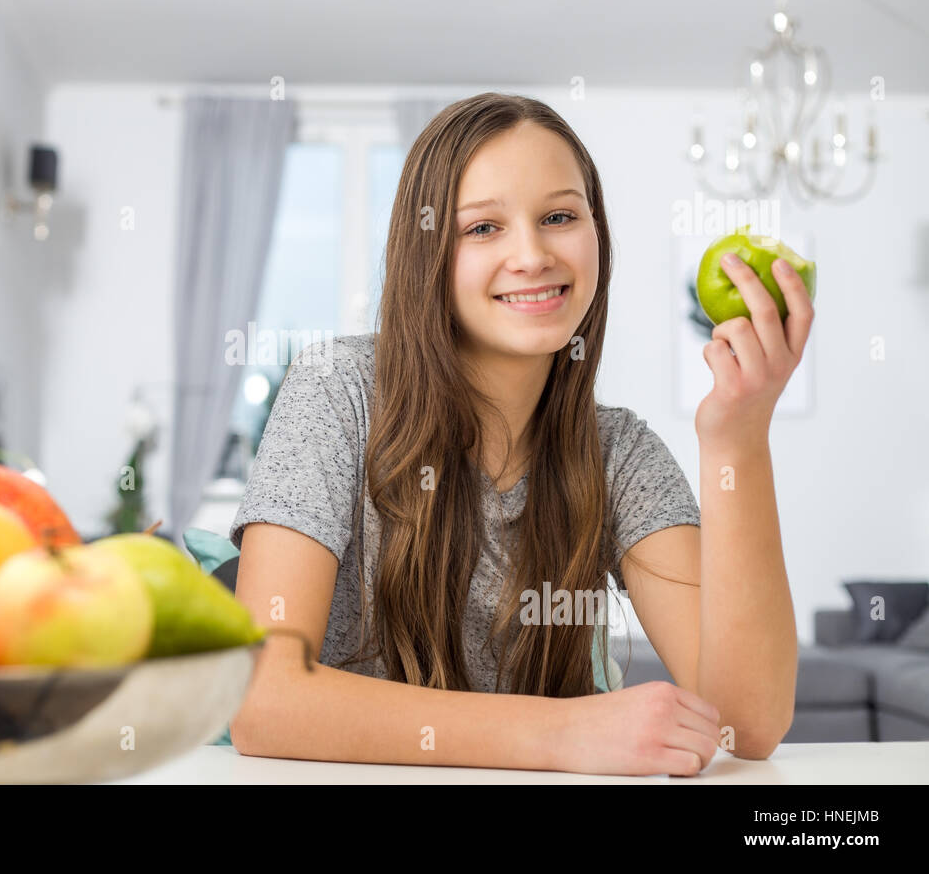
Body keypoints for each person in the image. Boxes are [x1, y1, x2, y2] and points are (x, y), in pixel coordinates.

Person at [226, 92, 810, 776]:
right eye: (482, 229)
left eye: (559, 216)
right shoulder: (338, 391)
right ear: (426, 254)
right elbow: (263, 699)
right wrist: (562, 733)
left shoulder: (619, 454)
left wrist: (738, 439)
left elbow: (746, 727)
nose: (531, 256)